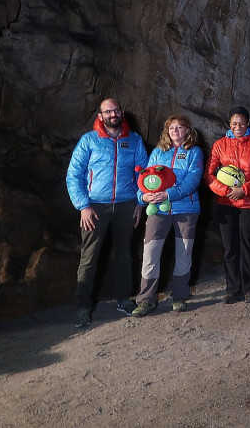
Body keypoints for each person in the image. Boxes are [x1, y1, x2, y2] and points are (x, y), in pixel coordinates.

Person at [66, 98, 148, 328]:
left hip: (126, 205)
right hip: (95, 206)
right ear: (100, 116)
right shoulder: (89, 141)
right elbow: (74, 175)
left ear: (122, 112)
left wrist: (139, 204)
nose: (113, 114)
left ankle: (123, 298)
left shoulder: (134, 140)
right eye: (107, 111)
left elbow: (143, 174)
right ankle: (83, 306)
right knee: (89, 258)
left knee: (124, 254)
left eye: (116, 110)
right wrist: (83, 205)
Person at [132, 115, 204, 316]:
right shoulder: (157, 152)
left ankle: (180, 295)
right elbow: (144, 178)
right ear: (167, 131)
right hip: (158, 210)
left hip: (186, 209)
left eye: (180, 127)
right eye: (172, 128)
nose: (175, 131)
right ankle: (146, 299)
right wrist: (143, 196)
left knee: (183, 252)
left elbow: (193, 180)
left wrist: (168, 194)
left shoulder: (194, 152)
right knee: (151, 253)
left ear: (188, 131)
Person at [205, 106, 250, 304]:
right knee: (230, 247)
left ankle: (249, 288)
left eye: (241, 123)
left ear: (248, 123)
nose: (237, 126)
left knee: (248, 246)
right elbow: (210, 174)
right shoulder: (220, 145)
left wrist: (245, 190)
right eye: (234, 123)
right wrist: (227, 192)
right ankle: (232, 289)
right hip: (226, 202)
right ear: (229, 124)